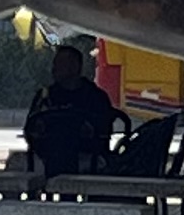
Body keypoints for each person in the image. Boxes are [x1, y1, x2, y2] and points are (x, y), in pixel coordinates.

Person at [23, 41, 120, 182]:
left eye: (60, 64)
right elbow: (29, 131)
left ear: (75, 67)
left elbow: (103, 132)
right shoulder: (46, 96)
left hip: (86, 155)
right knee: (17, 163)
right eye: (55, 64)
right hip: (47, 153)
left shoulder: (95, 97)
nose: (54, 69)